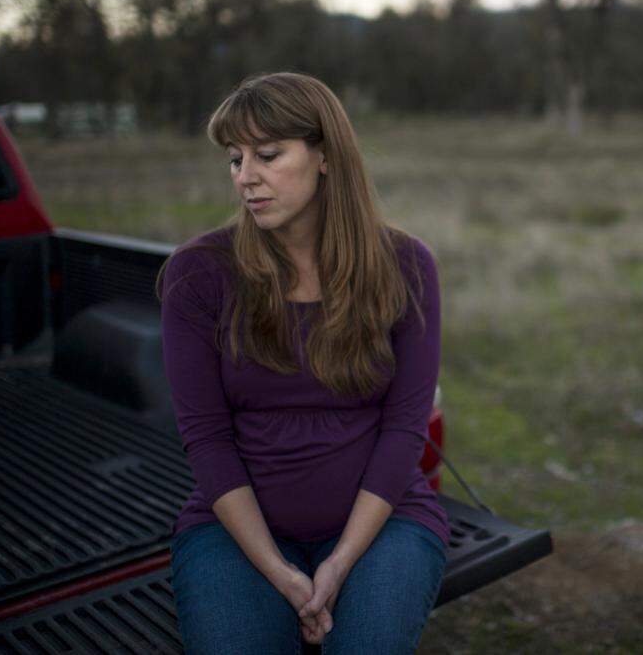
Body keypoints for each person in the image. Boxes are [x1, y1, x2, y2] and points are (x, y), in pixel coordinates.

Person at [156, 72, 450, 654]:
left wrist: (340, 564)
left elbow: (404, 429)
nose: (245, 177)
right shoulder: (198, 274)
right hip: (237, 534)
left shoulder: (406, 267)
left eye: (267, 154)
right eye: (234, 160)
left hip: (384, 523)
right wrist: (279, 572)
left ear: (324, 156)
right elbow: (206, 439)